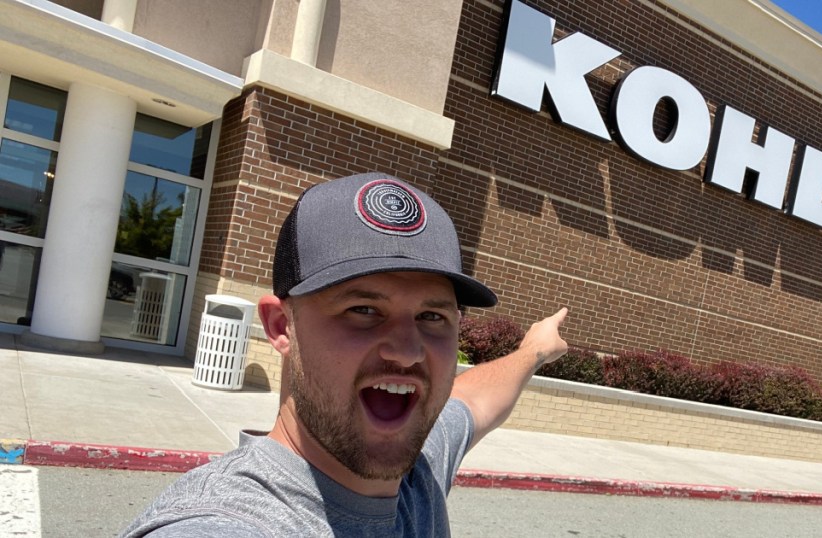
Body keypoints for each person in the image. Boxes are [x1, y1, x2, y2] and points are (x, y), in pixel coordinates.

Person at [121, 172, 569, 536]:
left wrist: (534, 350)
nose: (408, 351)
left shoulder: (420, 468)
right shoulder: (225, 523)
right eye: (364, 310)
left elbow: (474, 399)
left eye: (433, 317)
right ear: (281, 327)